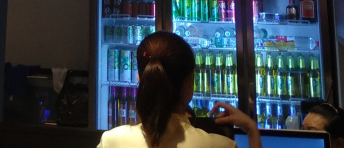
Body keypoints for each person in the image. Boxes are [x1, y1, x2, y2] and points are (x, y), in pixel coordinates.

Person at [97, 31, 261, 148]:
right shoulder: (220, 145)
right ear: (190, 82)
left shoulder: (111, 141)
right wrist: (251, 129)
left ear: (140, 79)